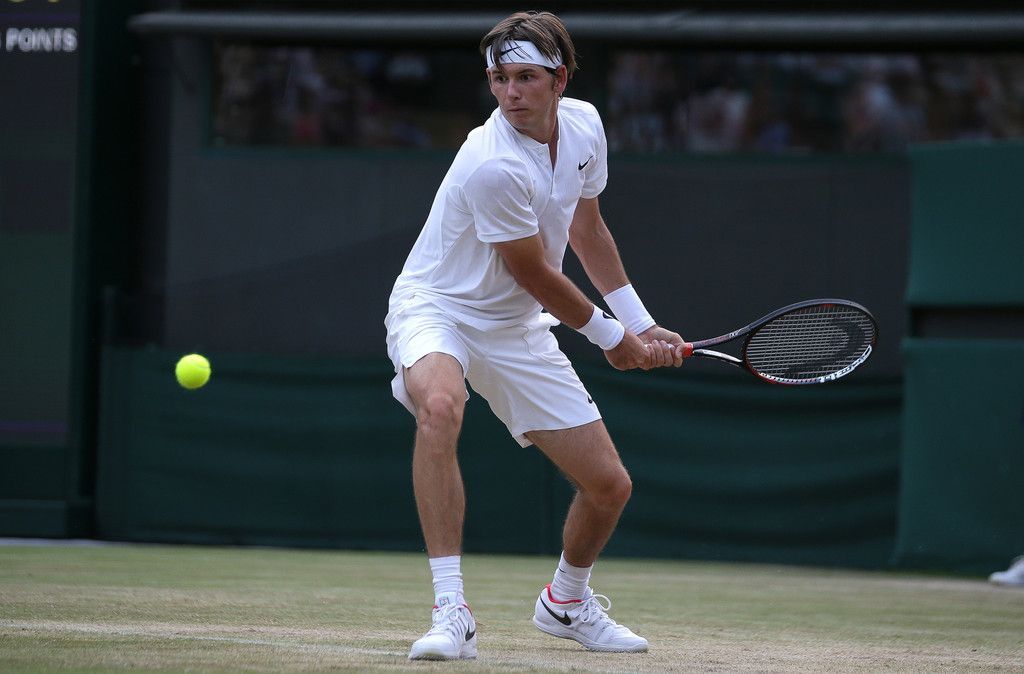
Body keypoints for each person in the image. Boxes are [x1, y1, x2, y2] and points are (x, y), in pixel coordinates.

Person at [384, 10, 685, 661]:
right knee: (440, 406)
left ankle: (566, 603)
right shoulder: (491, 164)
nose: (510, 92)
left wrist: (638, 322)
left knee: (609, 487)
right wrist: (612, 338)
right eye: (499, 79)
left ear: (560, 79)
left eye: (525, 77)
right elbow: (537, 273)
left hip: (515, 325)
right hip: (438, 307)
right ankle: (450, 611)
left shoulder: (585, 126)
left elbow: (587, 229)